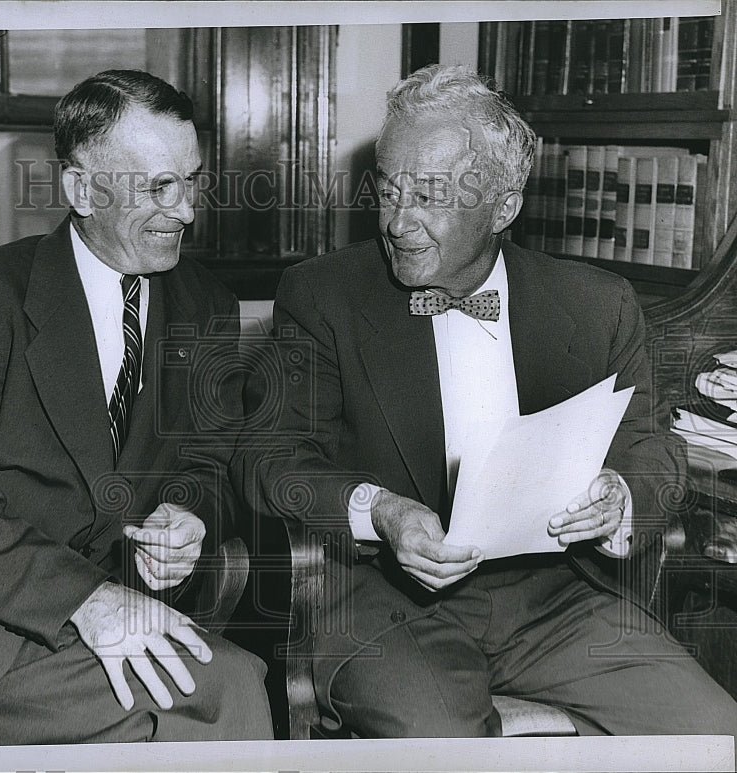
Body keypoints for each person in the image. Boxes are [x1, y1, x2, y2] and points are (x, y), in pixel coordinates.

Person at [233, 64, 737, 737]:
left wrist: (621, 495)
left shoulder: (596, 305)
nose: (398, 220)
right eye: (388, 189)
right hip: (388, 606)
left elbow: (654, 451)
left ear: (504, 206)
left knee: (712, 729)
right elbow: (268, 458)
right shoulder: (324, 295)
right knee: (445, 741)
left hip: (558, 605)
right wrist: (378, 511)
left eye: (430, 194)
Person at [0, 70, 272, 745]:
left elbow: (211, 463)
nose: (187, 210)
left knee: (234, 684)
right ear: (80, 188)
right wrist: (88, 600)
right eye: (159, 186)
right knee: (215, 697)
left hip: (112, 621)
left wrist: (190, 517)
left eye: (192, 182)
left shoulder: (207, 305)